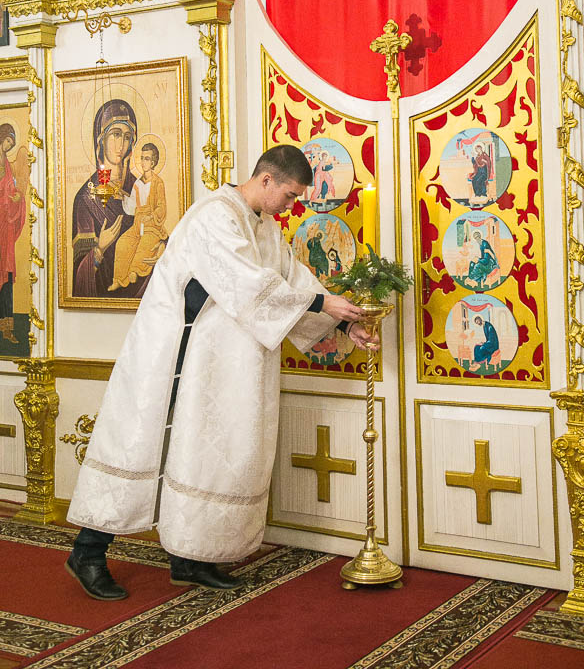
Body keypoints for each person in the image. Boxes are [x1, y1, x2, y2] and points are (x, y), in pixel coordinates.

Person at [65, 145, 378, 600]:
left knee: (202, 453)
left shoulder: (264, 226)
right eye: (290, 195)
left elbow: (292, 278)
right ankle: (88, 552)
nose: (292, 205)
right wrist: (322, 304)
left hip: (214, 364)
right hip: (172, 355)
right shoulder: (215, 214)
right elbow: (245, 282)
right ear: (266, 180)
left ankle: (189, 557)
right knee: (138, 446)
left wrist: (346, 322)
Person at [71, 99, 149, 300]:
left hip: (142, 291)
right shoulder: (86, 198)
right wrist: (100, 248)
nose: (121, 144)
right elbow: (79, 275)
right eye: (115, 134)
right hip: (104, 297)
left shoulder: (139, 187)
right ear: (101, 139)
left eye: (127, 137)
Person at [108, 142, 168, 291]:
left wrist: (151, 216)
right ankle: (119, 279)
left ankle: (134, 271)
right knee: (122, 243)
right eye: (141, 158)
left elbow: (162, 207)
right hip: (137, 224)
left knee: (145, 245)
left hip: (152, 226)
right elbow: (132, 208)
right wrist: (123, 197)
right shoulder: (137, 183)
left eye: (146, 159)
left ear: (153, 163)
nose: (143, 162)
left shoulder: (158, 182)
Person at [0, 124, 27, 343]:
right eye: (7, 141)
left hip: (6, 230)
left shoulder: (8, 166)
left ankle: (7, 329)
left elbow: (12, 191)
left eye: (11, 144)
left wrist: (18, 199)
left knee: (7, 277)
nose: (8, 147)